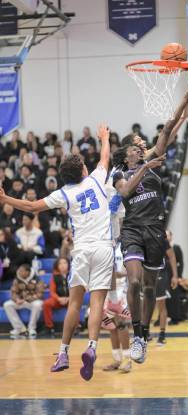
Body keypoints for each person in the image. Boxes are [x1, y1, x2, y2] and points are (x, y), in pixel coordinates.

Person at [0, 124, 113, 382]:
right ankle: (92, 347)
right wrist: (104, 137)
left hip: (82, 249)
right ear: (84, 170)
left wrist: (6, 200)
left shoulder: (64, 193)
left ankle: (63, 352)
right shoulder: (96, 178)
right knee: (96, 302)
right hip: (104, 248)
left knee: (75, 302)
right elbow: (105, 156)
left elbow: (31, 206)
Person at [113, 85, 188, 363]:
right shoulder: (120, 171)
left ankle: (145, 335)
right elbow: (125, 192)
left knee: (150, 289)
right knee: (135, 282)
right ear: (128, 150)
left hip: (155, 230)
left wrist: (185, 103)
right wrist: (144, 168)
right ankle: (137, 335)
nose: (141, 146)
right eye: (137, 144)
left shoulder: (149, 159)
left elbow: (167, 132)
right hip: (132, 230)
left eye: (142, 146)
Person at [103, 242, 132, 373]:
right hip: (107, 287)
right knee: (111, 326)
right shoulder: (106, 243)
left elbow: (131, 268)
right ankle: (117, 359)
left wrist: (119, 273)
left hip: (120, 288)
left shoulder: (127, 244)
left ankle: (127, 359)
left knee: (121, 323)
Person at [3, 264, 45, 338]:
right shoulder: (17, 280)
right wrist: (16, 299)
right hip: (20, 301)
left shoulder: (37, 279)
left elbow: (39, 294)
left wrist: (25, 300)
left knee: (38, 304)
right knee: (7, 304)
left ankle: (31, 328)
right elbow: (13, 292)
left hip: (32, 301)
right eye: (19, 270)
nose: (19, 272)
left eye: (21, 271)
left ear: (27, 272)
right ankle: (19, 328)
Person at [155, 238, 178, 345]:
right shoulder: (141, 233)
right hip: (145, 274)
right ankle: (144, 334)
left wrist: (175, 276)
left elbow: (172, 256)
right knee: (144, 306)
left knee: (161, 305)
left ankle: (162, 334)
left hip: (160, 273)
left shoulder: (161, 236)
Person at [41, 258, 70, 336]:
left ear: (68, 264)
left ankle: (76, 326)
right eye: (60, 264)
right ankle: (49, 327)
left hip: (70, 299)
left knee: (74, 304)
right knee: (46, 304)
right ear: (57, 266)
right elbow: (52, 291)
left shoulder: (72, 275)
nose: (63, 265)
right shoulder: (54, 277)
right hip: (58, 299)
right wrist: (58, 298)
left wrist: (69, 298)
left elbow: (76, 290)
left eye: (65, 263)